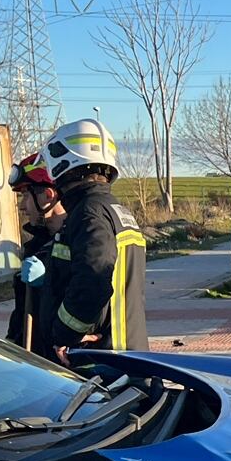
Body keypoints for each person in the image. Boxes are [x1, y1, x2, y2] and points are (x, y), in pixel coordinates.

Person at [35, 118, 147, 360]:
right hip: (126, 353)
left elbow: (92, 282)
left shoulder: (88, 213)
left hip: (103, 360)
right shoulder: (114, 209)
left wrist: (64, 335)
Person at [5, 151, 67, 350]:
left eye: (26, 196)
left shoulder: (80, 241)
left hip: (65, 358)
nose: (22, 207)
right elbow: (24, 310)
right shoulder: (36, 247)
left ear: (48, 196)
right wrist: (13, 343)